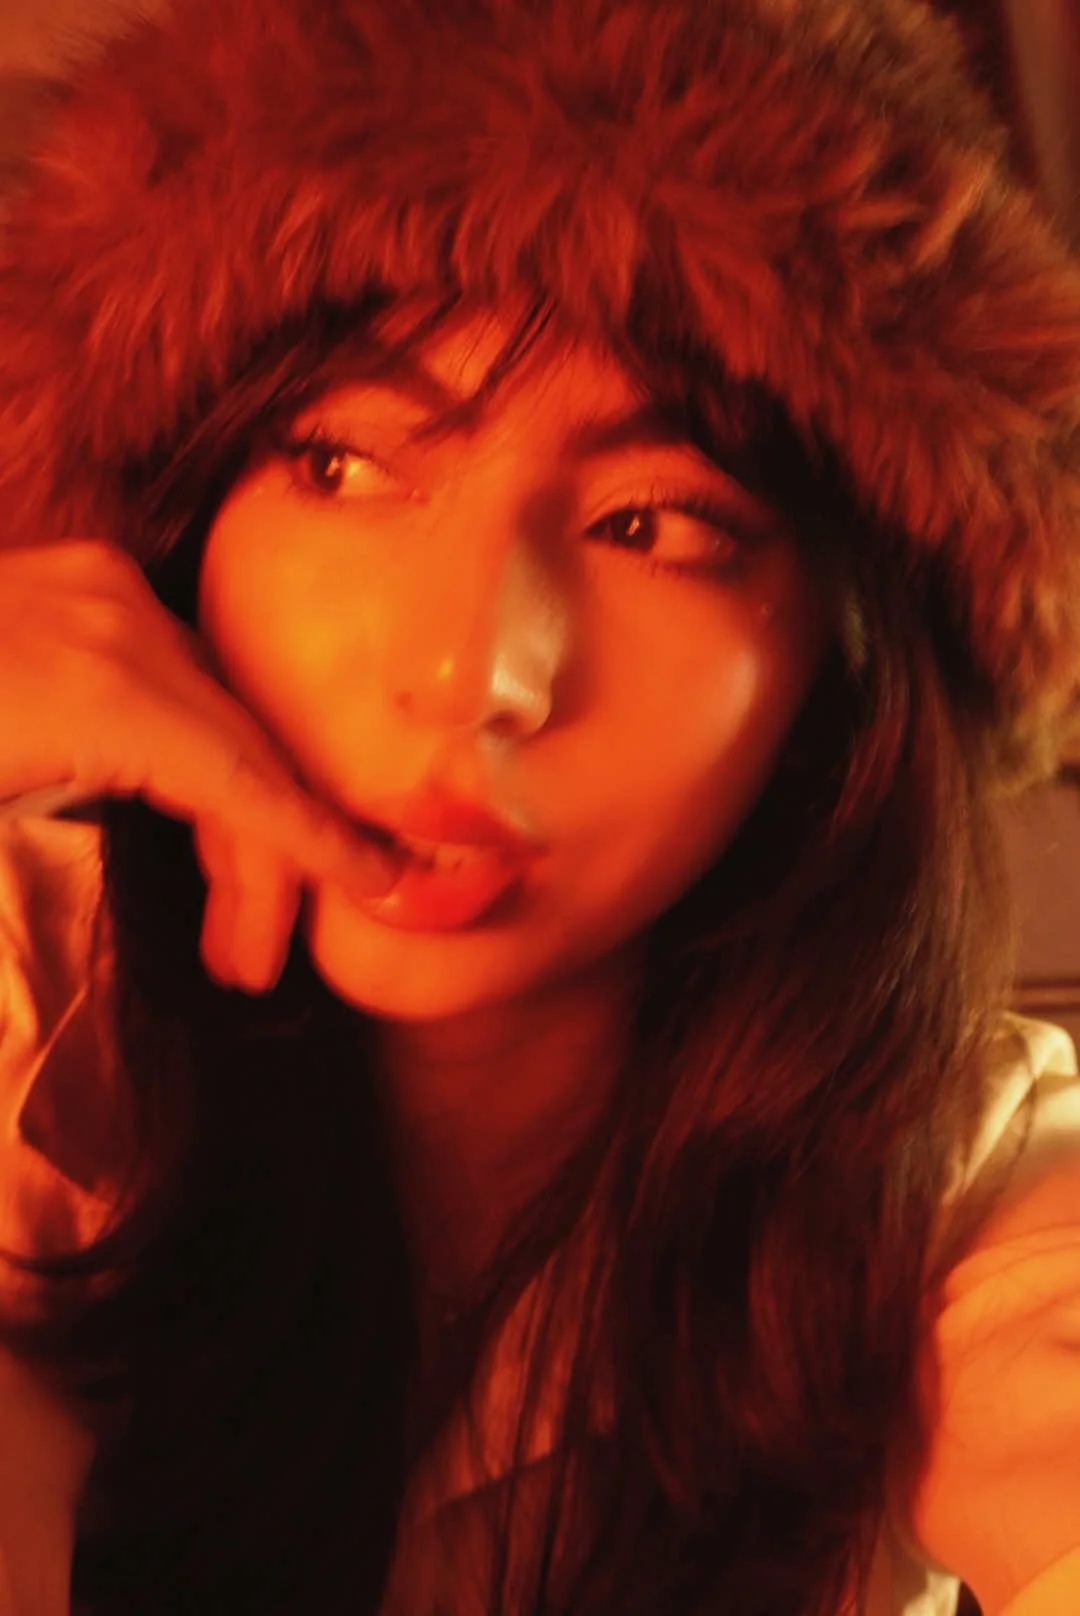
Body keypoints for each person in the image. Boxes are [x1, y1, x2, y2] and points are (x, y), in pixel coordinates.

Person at [0, 0, 1078, 1611]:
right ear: (175, 538)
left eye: (655, 524)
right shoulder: (37, 1002)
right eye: (340, 467)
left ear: (835, 672)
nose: (475, 672)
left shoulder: (955, 1178)